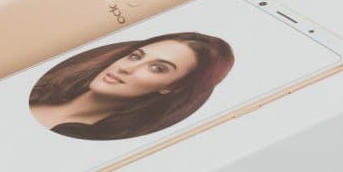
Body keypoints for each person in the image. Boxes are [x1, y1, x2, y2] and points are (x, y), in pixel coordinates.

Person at [29, 32, 234, 140]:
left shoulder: (97, 138)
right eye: (136, 56)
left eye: (157, 68)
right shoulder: (40, 87)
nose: (127, 68)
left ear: (171, 87)